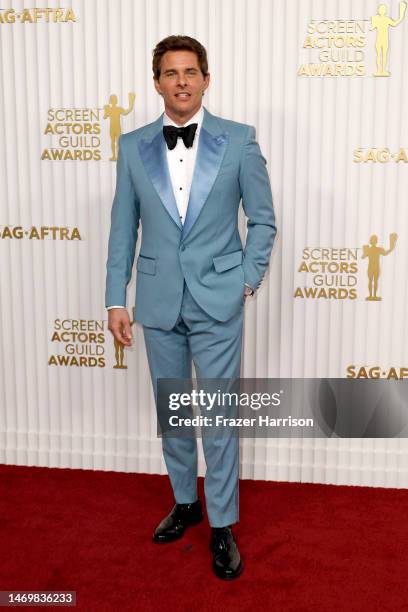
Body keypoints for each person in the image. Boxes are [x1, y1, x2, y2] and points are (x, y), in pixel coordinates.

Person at [105, 35, 276, 580]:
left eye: (190, 72)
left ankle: (222, 523)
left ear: (207, 78)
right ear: (156, 82)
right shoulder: (132, 146)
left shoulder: (240, 141)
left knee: (219, 418)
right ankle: (186, 502)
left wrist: (245, 280)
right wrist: (116, 297)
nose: (181, 81)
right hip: (157, 302)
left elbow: (263, 219)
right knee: (175, 415)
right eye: (171, 73)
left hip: (218, 299)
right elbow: (121, 229)